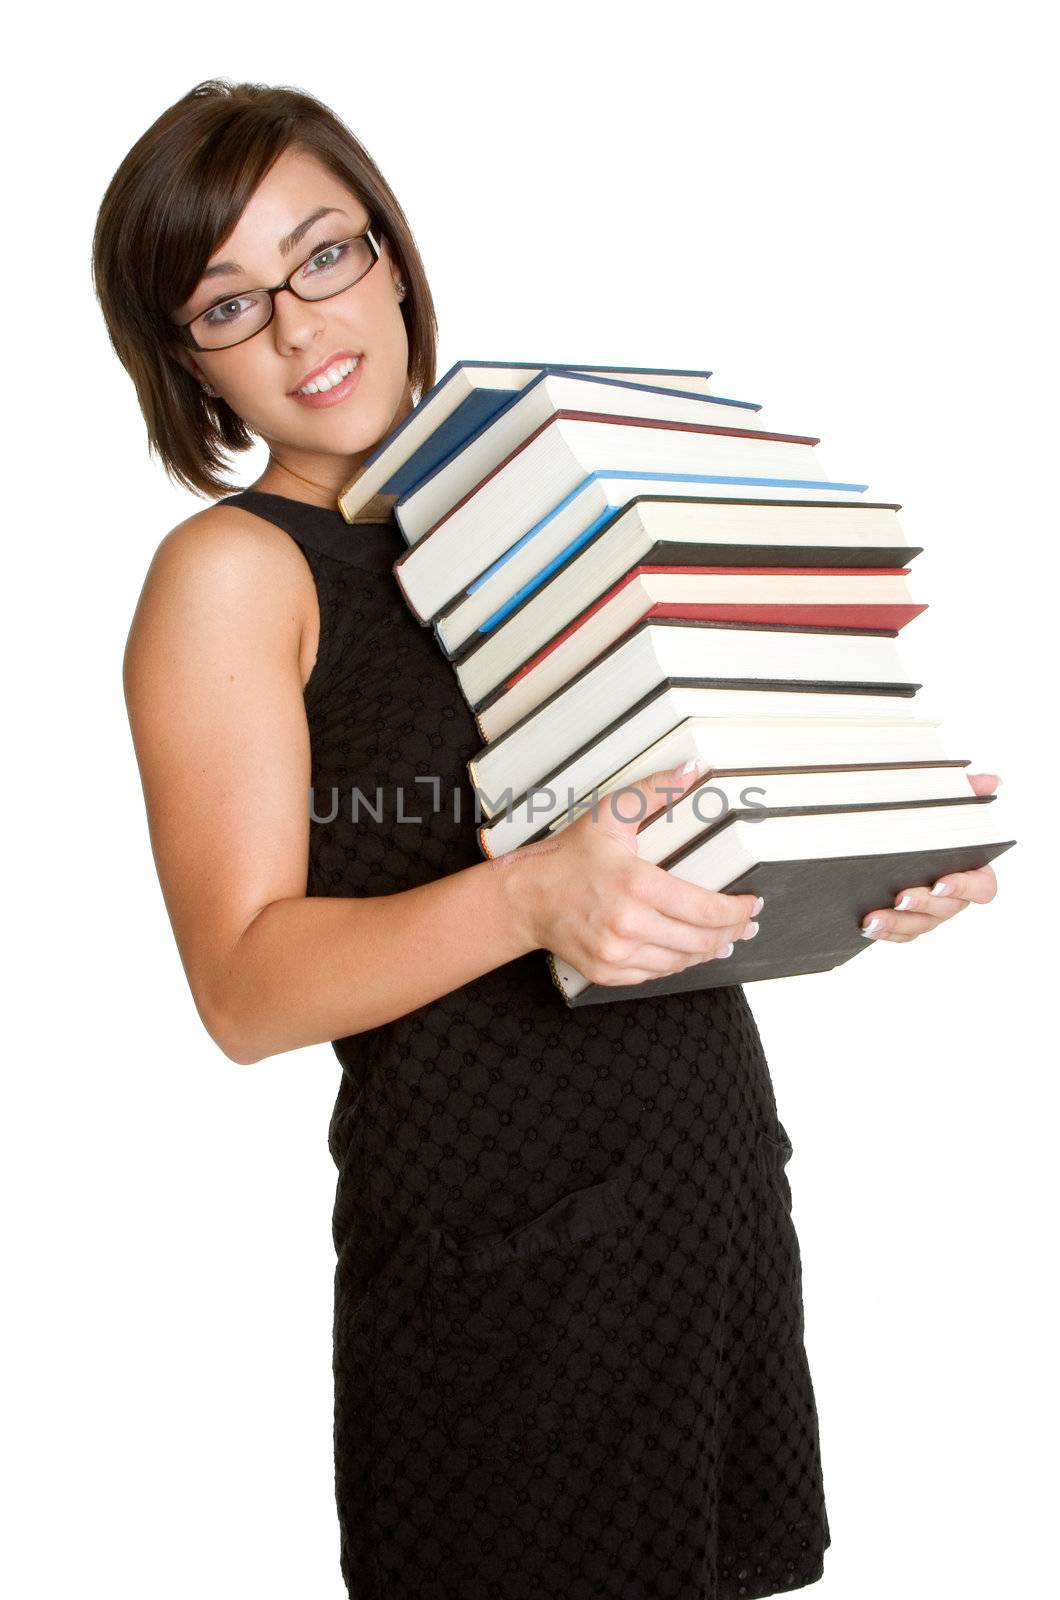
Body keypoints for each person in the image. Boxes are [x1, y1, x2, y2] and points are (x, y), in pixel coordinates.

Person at [93, 78, 1001, 1600]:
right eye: (230, 305)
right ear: (184, 365)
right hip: (498, 1253)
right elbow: (243, 990)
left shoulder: (533, 500)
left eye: (325, 256)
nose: (305, 329)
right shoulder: (234, 573)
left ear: (390, 253)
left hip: (700, 1194)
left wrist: (856, 864)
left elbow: (656, 834)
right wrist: (527, 895)